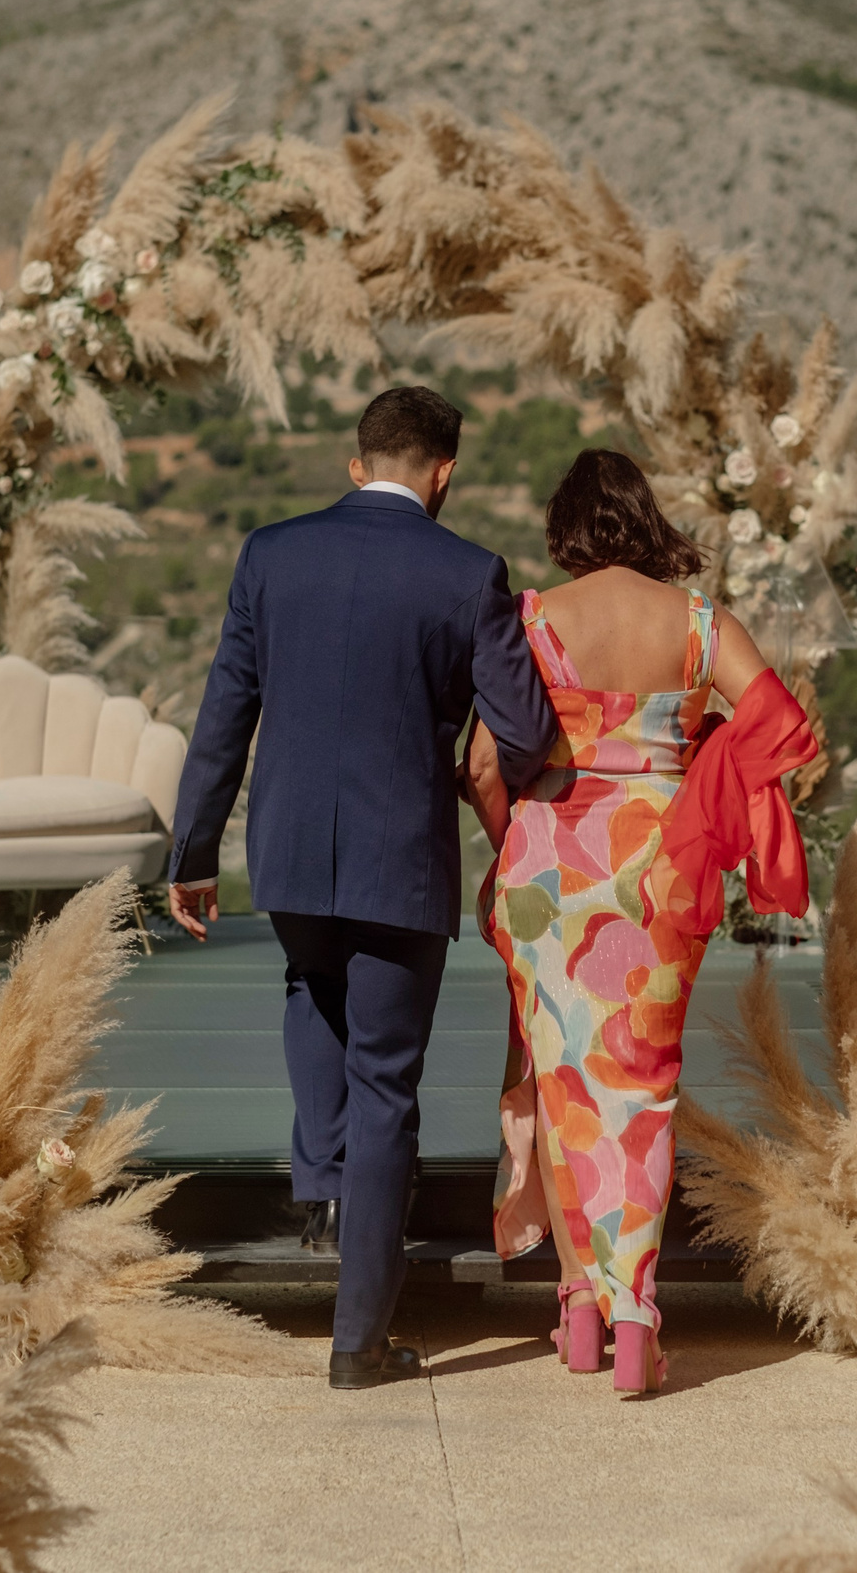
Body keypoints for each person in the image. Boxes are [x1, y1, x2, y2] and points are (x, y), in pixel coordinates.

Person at [166, 384, 559, 1391]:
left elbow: (225, 709)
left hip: (289, 848)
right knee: (386, 1083)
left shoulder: (270, 554)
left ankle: (325, 1189)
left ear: (356, 464)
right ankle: (358, 1340)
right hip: (400, 856)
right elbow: (524, 729)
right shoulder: (469, 572)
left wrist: (194, 852)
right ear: (444, 473)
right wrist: (468, 762)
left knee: (311, 991)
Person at [463, 448, 817, 1396]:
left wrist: (509, 844)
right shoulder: (698, 621)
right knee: (641, 1085)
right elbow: (781, 724)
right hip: (661, 866)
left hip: (547, 864)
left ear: (566, 528)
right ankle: (635, 1315)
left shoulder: (533, 618)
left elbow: (487, 764)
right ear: (646, 518)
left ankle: (579, 1305)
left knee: (561, 1081)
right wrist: (706, 777)